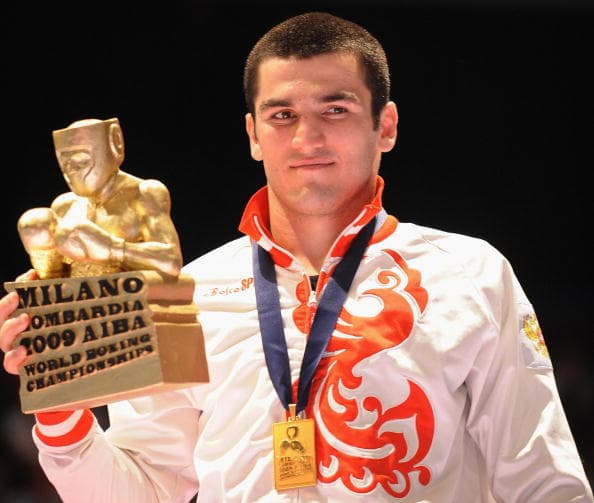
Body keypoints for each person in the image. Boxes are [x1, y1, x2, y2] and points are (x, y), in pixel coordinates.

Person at [0, 11, 592, 503]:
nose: (307, 138)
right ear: (254, 135)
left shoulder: (470, 273)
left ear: (385, 126)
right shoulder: (188, 292)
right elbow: (143, 491)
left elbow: (543, 481)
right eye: (282, 115)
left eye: (336, 109)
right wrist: (61, 414)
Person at [16, 117, 182, 280]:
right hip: (80, 296)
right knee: (36, 222)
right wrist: (41, 275)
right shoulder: (65, 205)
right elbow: (60, 277)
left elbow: (171, 261)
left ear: (114, 147)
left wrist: (111, 248)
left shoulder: (143, 193)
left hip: (128, 292)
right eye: (65, 164)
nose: (71, 171)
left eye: (81, 161)